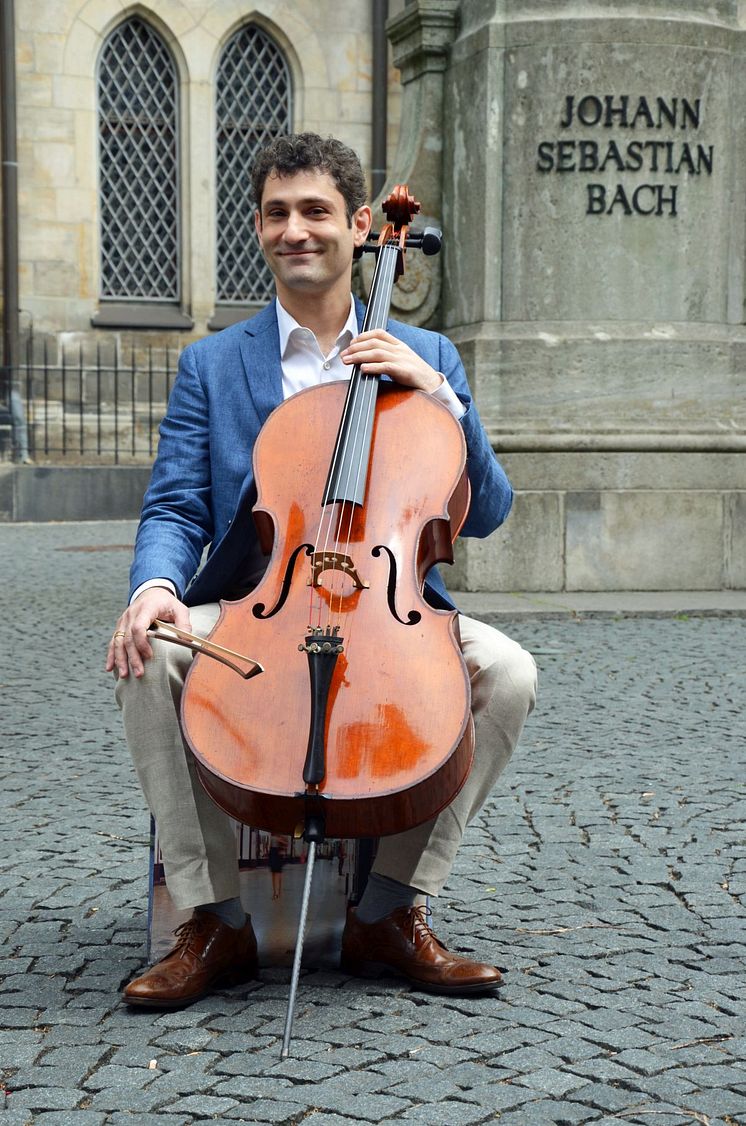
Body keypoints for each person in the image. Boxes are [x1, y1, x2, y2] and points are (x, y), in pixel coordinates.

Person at [107, 132, 537, 1009]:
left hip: (389, 607)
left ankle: (391, 909)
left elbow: (486, 511)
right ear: (258, 229)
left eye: (314, 212)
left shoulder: (431, 356)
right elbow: (178, 506)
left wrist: (439, 394)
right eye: (276, 213)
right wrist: (154, 585)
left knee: (511, 674)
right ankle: (213, 919)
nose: (294, 230)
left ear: (360, 226)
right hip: (255, 604)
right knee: (148, 648)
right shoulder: (212, 364)